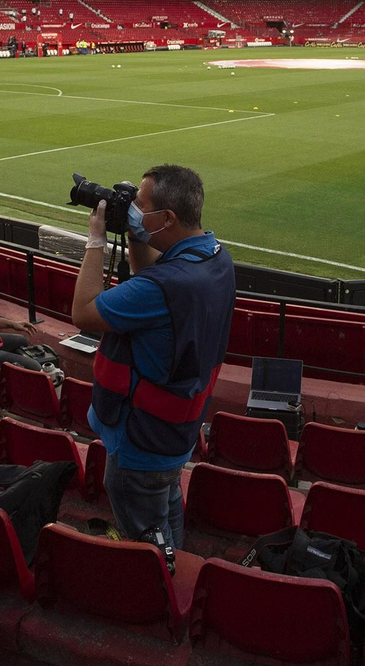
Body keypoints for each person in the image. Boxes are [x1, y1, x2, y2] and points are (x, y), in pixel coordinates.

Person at [70, 165, 234, 549]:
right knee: (166, 495)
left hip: (140, 437)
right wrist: (134, 232)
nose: (133, 210)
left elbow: (83, 312)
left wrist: (96, 240)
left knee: (143, 527)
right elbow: (150, 273)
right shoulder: (216, 259)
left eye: (140, 206)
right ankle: (171, 547)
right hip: (176, 429)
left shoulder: (163, 287)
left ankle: (157, 576)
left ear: (167, 218)